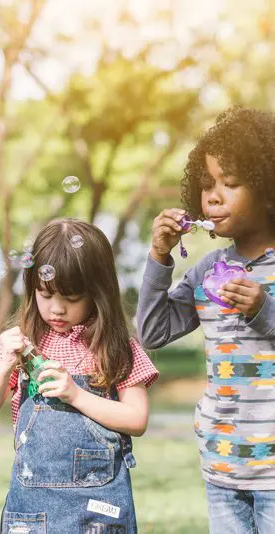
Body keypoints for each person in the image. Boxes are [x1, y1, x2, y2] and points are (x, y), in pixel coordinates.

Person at [0, 218, 159, 534]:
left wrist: (76, 394)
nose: (56, 309)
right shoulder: (23, 342)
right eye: (46, 296)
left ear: (98, 294)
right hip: (32, 509)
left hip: (97, 509)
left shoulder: (115, 348)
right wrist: (5, 364)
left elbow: (136, 419)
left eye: (71, 298)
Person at [137, 106, 275, 534]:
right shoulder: (207, 270)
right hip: (222, 461)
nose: (212, 197)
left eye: (229, 184)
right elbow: (153, 331)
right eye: (206, 185)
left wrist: (263, 311)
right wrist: (160, 257)